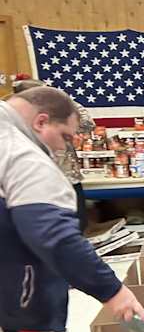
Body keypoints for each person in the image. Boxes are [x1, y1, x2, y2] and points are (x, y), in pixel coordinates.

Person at [1, 86, 144, 332]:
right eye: (65, 137)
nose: (66, 149)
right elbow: (56, 237)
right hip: (16, 306)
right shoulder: (22, 154)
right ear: (41, 121)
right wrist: (113, 291)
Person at [12, 78, 94, 231]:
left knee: (78, 225)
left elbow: (87, 124)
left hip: (68, 176)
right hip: (36, 180)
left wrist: (61, 100)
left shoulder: (59, 113)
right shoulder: (14, 120)